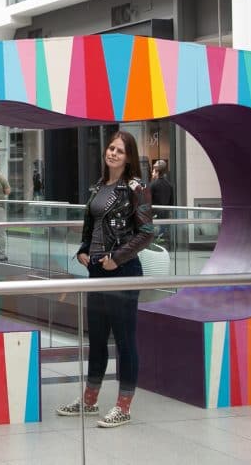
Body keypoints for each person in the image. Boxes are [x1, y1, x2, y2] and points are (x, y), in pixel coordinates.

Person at [56, 130, 155, 428]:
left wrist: (117, 258)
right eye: (111, 148)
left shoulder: (136, 188)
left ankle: (123, 407)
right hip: (96, 270)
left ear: (129, 157)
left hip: (123, 271)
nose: (112, 153)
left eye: (120, 151)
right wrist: (84, 251)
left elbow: (147, 233)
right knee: (97, 338)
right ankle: (89, 401)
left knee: (125, 340)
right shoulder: (98, 187)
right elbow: (91, 227)